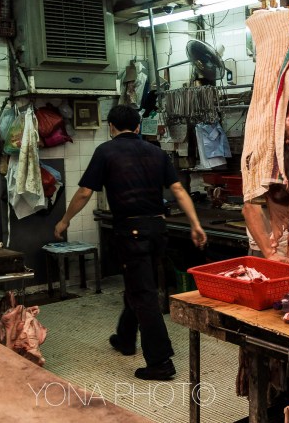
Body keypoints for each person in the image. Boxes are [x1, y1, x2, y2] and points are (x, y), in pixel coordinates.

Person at [54, 105, 207, 381]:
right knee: (139, 285)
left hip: (131, 232)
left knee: (144, 293)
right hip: (158, 230)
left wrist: (65, 220)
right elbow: (177, 189)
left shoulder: (105, 151)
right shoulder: (156, 152)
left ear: (111, 127)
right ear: (138, 127)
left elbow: (85, 192)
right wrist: (195, 224)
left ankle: (160, 362)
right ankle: (125, 338)